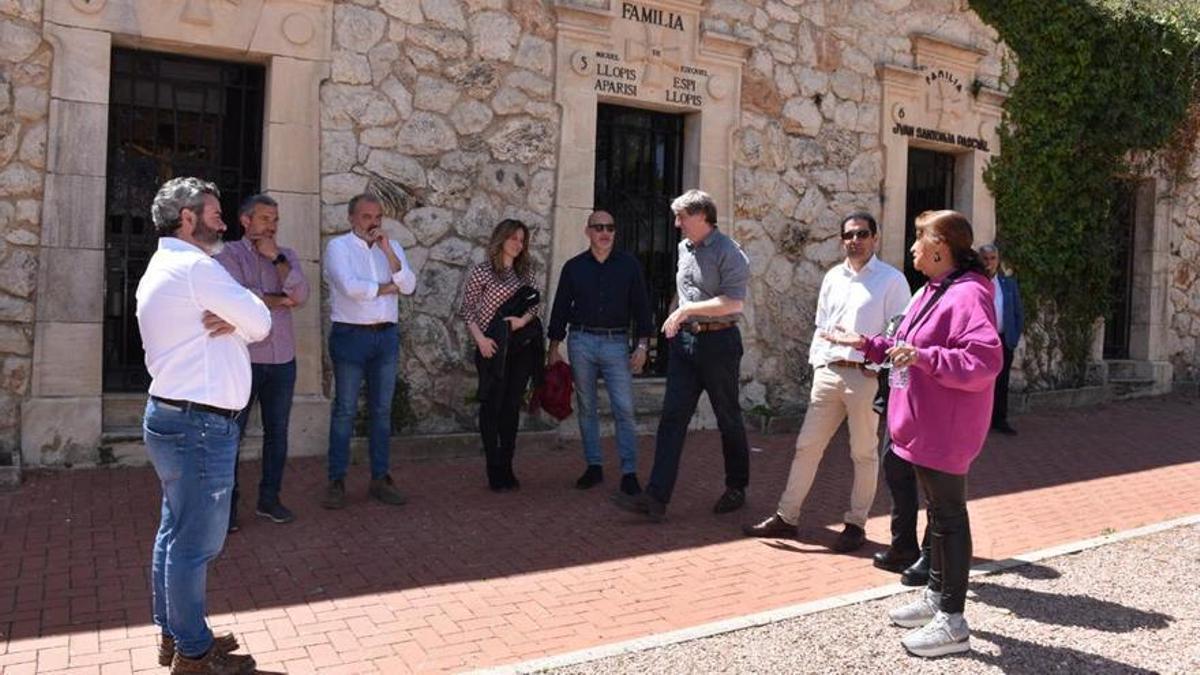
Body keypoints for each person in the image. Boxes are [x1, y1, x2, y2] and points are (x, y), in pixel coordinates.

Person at [824, 209, 1002, 657]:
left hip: (945, 429)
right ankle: (937, 597)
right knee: (938, 518)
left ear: (941, 247)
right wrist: (865, 343)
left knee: (949, 518)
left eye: (919, 240)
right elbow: (907, 344)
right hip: (922, 426)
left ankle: (953, 621)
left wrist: (924, 359)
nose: (912, 248)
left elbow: (983, 361)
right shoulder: (933, 289)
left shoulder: (967, 296)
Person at [137, 177, 270, 672]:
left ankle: (176, 636)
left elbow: (247, 318)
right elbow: (262, 321)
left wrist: (234, 315)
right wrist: (240, 315)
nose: (222, 219)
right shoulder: (196, 268)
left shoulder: (162, 264)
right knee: (195, 544)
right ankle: (193, 653)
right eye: (212, 212)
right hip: (200, 427)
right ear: (186, 218)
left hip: (171, 417)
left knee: (174, 532)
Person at [743, 212, 910, 552]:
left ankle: (855, 523)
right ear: (841, 239)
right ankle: (787, 516)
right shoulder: (833, 277)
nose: (855, 240)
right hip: (829, 372)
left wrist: (877, 369)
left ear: (875, 238)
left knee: (862, 453)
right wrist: (819, 364)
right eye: (848, 234)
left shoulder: (892, 280)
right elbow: (822, 326)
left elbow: (900, 332)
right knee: (807, 446)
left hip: (864, 376)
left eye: (862, 234)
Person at [611, 189, 751, 521]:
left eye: (682, 217)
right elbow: (684, 286)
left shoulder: (730, 252)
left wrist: (685, 311)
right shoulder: (683, 248)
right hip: (685, 346)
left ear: (702, 216)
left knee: (727, 417)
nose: (676, 224)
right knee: (672, 419)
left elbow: (733, 302)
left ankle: (737, 487)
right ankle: (656, 498)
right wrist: (675, 313)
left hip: (719, 343)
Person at [216, 194, 310, 531]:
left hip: (283, 359)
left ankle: (269, 500)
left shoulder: (286, 255)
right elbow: (240, 298)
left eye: (275, 220)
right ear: (245, 220)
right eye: (265, 219)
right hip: (245, 359)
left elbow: (301, 296)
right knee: (233, 435)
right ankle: (227, 508)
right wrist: (279, 299)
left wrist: (278, 260)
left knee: (278, 434)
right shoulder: (228, 254)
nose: (271, 226)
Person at [547, 210, 654, 495]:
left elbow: (642, 308)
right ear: (588, 232)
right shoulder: (573, 267)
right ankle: (593, 465)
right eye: (599, 228)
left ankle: (629, 472)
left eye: (610, 227)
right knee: (586, 407)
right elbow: (560, 308)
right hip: (580, 341)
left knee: (624, 408)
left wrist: (642, 346)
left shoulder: (629, 266)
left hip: (616, 343)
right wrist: (554, 348)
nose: (605, 233)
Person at [321, 193, 416, 509]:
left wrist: (389, 252)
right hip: (351, 336)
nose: (373, 223)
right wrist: (389, 288)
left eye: (377, 217)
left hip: (385, 337)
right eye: (366, 217)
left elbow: (410, 285)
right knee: (346, 409)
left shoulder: (392, 247)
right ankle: (336, 480)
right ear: (351, 218)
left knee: (381, 411)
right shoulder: (338, 248)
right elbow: (352, 288)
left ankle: (380, 477)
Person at [460, 219, 543, 491]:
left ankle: (507, 465)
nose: (518, 244)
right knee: (491, 406)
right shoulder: (483, 272)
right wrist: (480, 339)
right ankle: (493, 467)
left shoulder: (525, 273)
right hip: (491, 348)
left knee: (510, 407)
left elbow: (535, 306)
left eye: (522, 240)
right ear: (501, 239)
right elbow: (468, 309)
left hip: (519, 348)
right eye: (514, 239)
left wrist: (521, 322)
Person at [979, 243, 1024, 435]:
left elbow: (1017, 312)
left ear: (998, 260)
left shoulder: (1008, 284)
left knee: (1002, 381)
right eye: (986, 258)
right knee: (982, 382)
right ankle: (981, 421)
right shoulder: (975, 283)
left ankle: (1000, 419)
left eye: (993, 258)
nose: (989, 262)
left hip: (1004, 340)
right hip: (982, 342)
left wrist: (1013, 337)